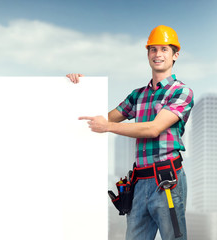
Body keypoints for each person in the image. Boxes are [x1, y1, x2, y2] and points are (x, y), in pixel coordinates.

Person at [66, 25, 194, 240]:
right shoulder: (138, 95)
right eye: (153, 49)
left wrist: (108, 127)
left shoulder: (181, 92)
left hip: (167, 181)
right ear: (148, 54)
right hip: (139, 181)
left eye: (164, 49)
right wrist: (77, 89)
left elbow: (153, 128)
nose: (157, 54)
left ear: (175, 55)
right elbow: (101, 119)